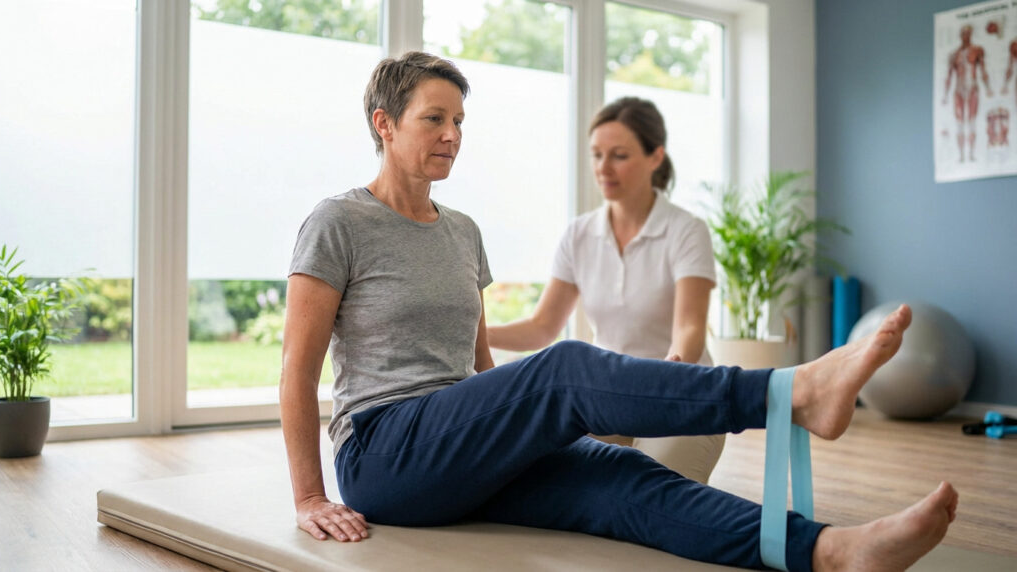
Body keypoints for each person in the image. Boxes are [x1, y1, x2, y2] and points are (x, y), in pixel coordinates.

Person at [280, 51, 958, 572]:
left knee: (621, 477)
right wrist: (311, 496)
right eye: (435, 118)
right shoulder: (339, 222)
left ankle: (829, 552)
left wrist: (518, 428)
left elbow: (477, 366)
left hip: (460, 451)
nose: (453, 134)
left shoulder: (462, 231)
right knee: (566, 369)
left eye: (459, 120)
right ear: (384, 123)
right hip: (385, 454)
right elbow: (296, 369)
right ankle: (792, 393)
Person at [486, 96, 724, 484]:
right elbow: (543, 327)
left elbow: (691, 327)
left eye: (619, 155)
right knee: (557, 480)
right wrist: (478, 333)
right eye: (597, 155)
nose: (603, 168)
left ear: (655, 157)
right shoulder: (579, 234)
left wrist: (672, 370)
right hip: (610, 395)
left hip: (682, 395)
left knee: (652, 493)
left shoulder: (686, 230)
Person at [942, 24, 993, 162]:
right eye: (964, 33)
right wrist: (945, 95)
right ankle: (961, 156)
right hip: (958, 89)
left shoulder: (977, 51)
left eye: (968, 33)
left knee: (971, 122)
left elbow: (983, 70)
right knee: (959, 123)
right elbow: (949, 76)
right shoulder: (954, 55)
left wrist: (988, 88)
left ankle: (971, 154)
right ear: (960, 35)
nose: (966, 36)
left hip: (972, 88)